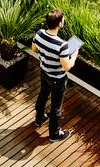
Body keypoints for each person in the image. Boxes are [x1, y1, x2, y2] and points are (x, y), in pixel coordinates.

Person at [32, 8, 78, 142]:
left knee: (43, 94)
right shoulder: (62, 45)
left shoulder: (39, 33)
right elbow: (67, 66)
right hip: (57, 79)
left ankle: (39, 118)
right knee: (56, 107)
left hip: (44, 72)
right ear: (60, 23)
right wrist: (74, 54)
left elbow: (34, 49)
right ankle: (54, 134)